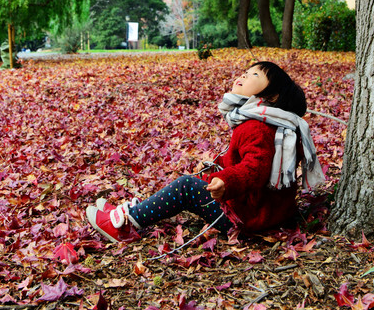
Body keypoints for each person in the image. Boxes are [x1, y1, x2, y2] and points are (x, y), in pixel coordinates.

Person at [85, 61, 325, 244]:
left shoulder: (258, 127)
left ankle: (124, 225)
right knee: (196, 182)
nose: (244, 75)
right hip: (257, 210)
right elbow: (242, 157)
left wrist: (227, 180)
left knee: (187, 187)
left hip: (247, 217)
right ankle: (134, 212)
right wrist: (218, 166)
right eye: (245, 71)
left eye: (254, 75)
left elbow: (256, 168)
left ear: (271, 96)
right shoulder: (262, 123)